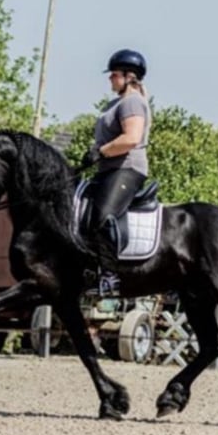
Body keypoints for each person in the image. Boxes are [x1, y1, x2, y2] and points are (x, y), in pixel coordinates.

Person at [81, 48, 152, 295]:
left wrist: (101, 151)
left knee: (103, 216)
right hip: (107, 169)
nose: (110, 79)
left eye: (113, 75)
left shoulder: (132, 101)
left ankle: (110, 276)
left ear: (128, 76)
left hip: (126, 168)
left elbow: (131, 138)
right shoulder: (115, 103)